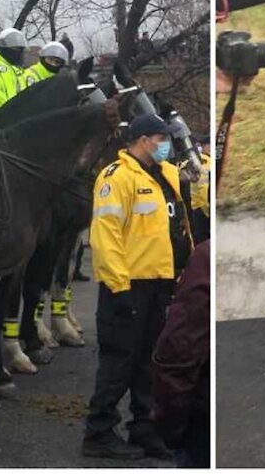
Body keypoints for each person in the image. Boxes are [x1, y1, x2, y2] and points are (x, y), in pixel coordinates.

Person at [83, 113, 195, 460]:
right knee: (119, 361)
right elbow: (105, 235)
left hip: (161, 281)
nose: (165, 145)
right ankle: (99, 432)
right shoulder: (116, 178)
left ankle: (143, 428)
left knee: (149, 361)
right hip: (128, 284)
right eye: (161, 139)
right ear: (143, 139)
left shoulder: (164, 174)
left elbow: (185, 214)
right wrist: (119, 285)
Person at [150, 239, 210, 468]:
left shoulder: (206, 259)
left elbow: (178, 354)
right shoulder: (206, 258)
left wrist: (170, 426)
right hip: (135, 280)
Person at [0, 27, 33, 95]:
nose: (20, 53)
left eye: (22, 49)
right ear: (4, 48)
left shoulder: (18, 72)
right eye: (17, 48)